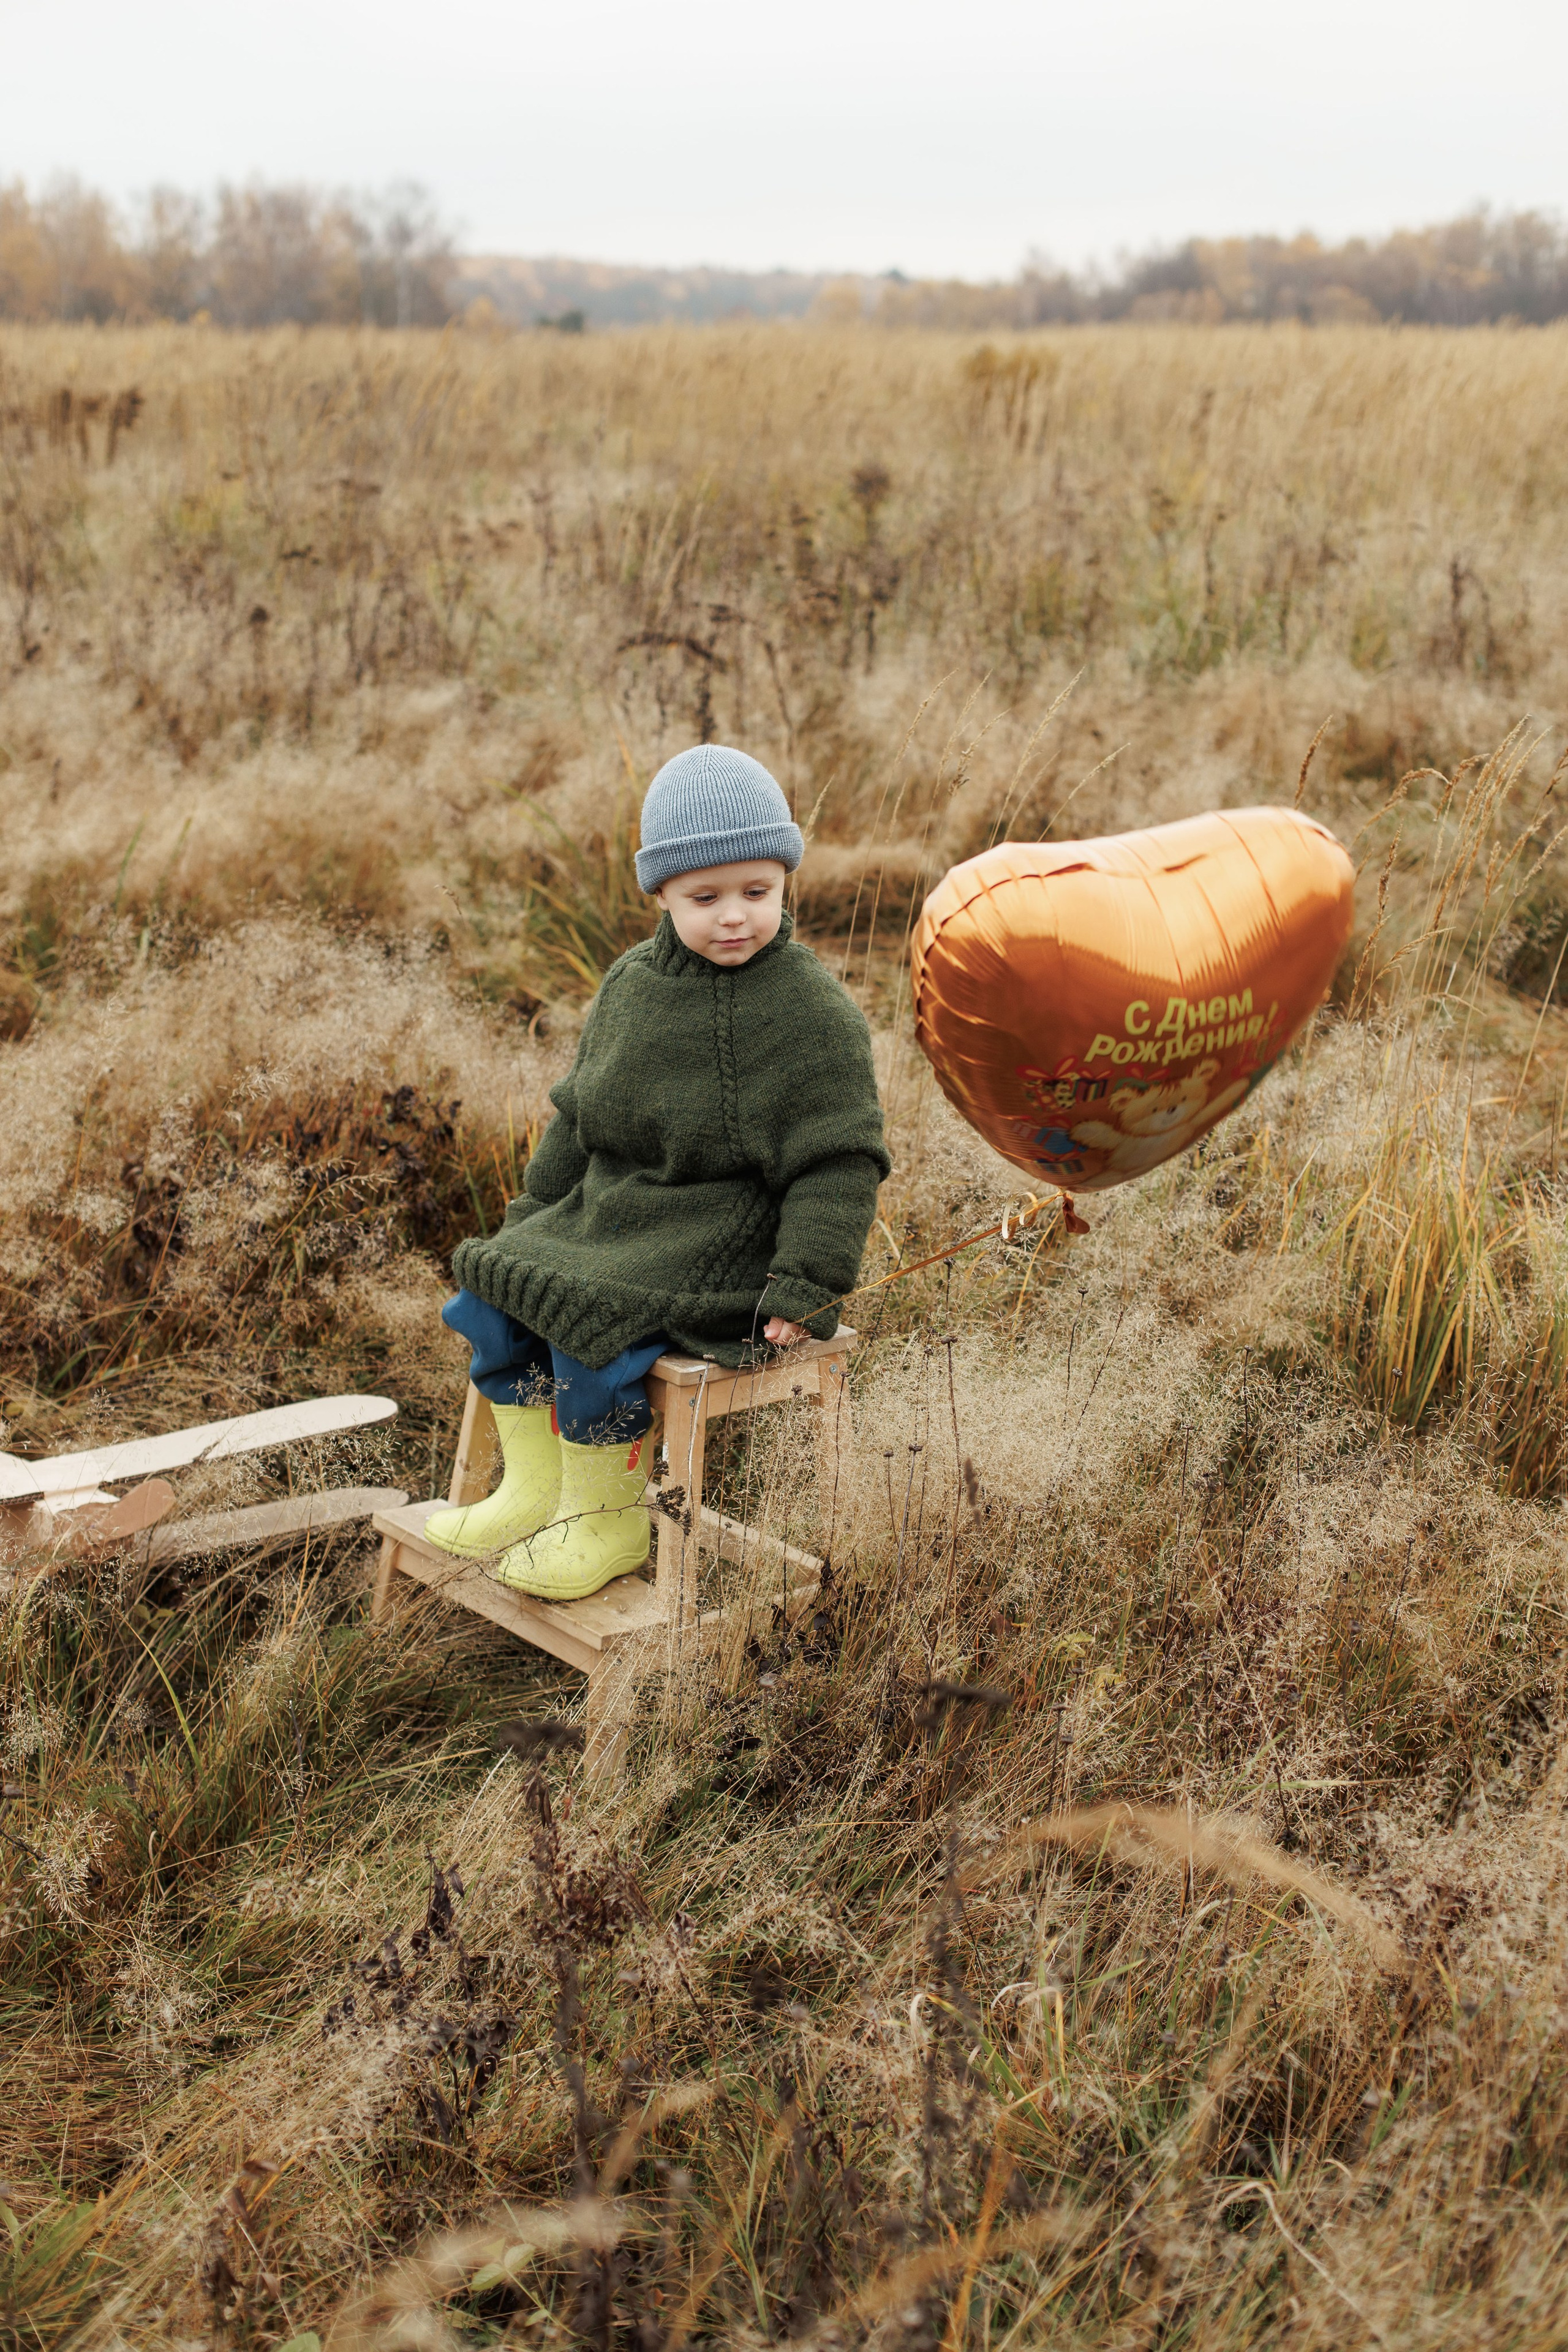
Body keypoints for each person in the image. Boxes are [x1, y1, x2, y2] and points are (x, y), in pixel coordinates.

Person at [426, 743, 890, 1600]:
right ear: (662, 893)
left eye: (758, 891)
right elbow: (582, 1117)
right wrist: (534, 1210)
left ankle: (605, 1518)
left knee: (591, 1314)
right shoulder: (632, 986)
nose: (734, 918)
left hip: (732, 1241)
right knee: (494, 1287)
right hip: (623, 1214)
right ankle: (533, 1492)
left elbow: (839, 1162)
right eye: (703, 897)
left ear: (786, 880)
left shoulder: (811, 1012)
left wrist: (808, 1284)